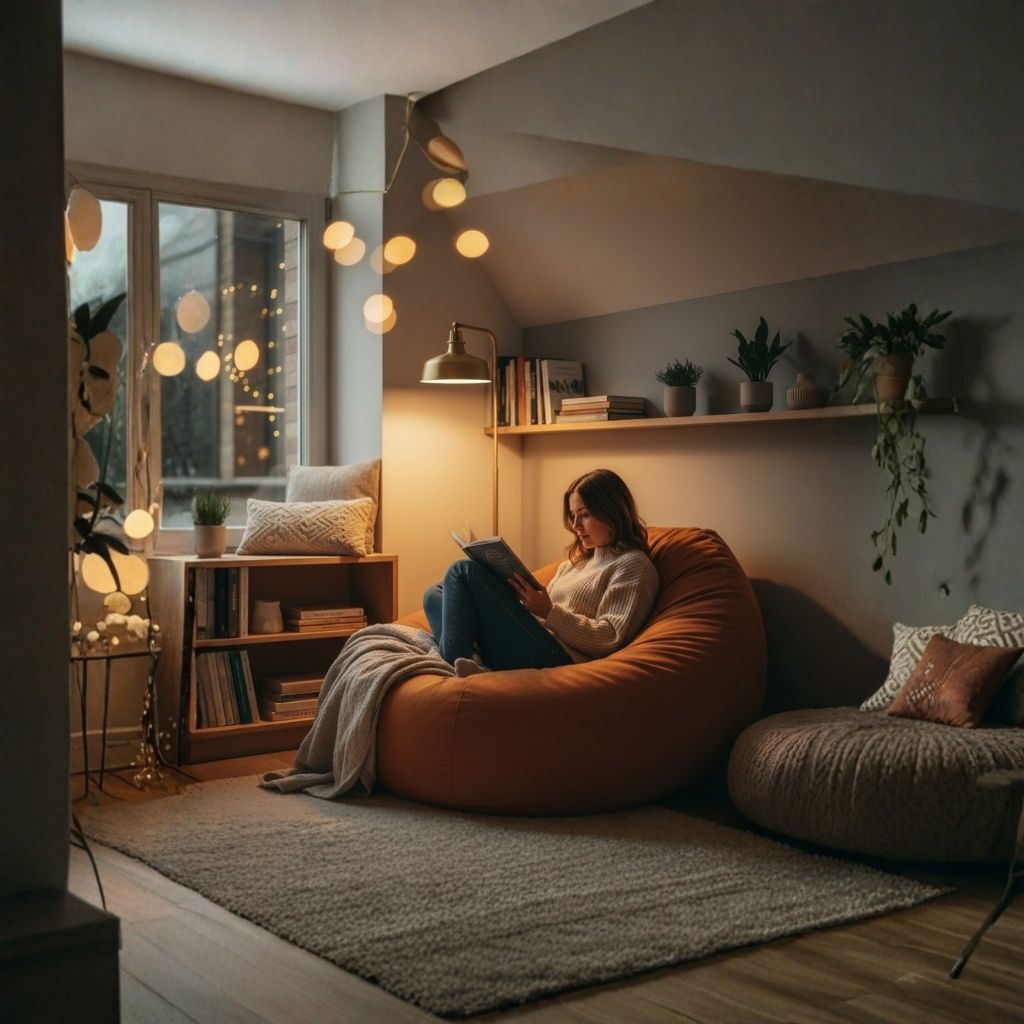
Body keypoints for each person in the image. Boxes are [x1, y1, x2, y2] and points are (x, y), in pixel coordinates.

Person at [423, 468, 660, 676]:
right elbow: (541, 613)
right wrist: (518, 597)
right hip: (533, 637)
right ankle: (472, 659)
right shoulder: (574, 564)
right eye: (573, 515)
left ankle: (453, 664)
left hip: (557, 657)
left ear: (612, 512)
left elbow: (610, 637)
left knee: (462, 571)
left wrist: (548, 611)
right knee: (434, 592)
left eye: (585, 515)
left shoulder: (632, 565)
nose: (576, 526)